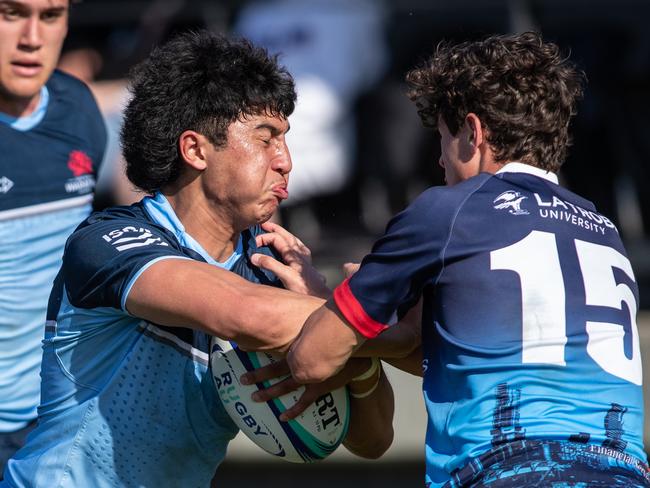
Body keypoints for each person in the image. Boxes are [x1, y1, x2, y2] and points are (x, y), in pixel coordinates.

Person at [1, 31, 397, 487]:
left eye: (285, 139)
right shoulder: (109, 241)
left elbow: (373, 440)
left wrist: (359, 358)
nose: (286, 161)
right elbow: (246, 314)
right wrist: (363, 318)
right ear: (195, 149)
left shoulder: (271, 270)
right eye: (265, 139)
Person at [284, 32, 650, 486]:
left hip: (510, 471)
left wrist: (327, 303)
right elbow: (481, 358)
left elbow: (311, 362)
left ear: (473, 133)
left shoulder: (447, 210)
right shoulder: (604, 229)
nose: (440, 161)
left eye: (442, 138)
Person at [0, 0, 107, 474]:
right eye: (9, 12)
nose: (31, 37)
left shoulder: (78, 109)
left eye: (49, 15)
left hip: (51, 426)